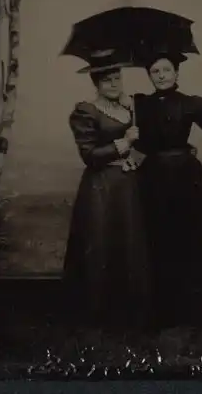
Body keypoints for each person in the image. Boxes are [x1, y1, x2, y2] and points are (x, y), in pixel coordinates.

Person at [133, 52, 202, 331]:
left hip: (186, 179)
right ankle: (165, 312)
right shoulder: (139, 105)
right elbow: (143, 145)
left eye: (166, 70)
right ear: (149, 76)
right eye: (155, 71)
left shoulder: (190, 104)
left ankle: (199, 312)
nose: (161, 75)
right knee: (158, 242)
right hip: (152, 178)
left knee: (192, 241)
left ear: (176, 73)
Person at [63, 50, 150, 333]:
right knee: (100, 243)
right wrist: (123, 143)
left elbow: (140, 147)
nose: (115, 84)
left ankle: (126, 310)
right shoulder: (85, 111)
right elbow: (89, 155)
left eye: (117, 78)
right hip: (100, 187)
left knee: (128, 244)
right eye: (108, 81)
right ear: (96, 84)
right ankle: (96, 312)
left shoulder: (128, 109)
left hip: (126, 185)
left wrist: (133, 153)